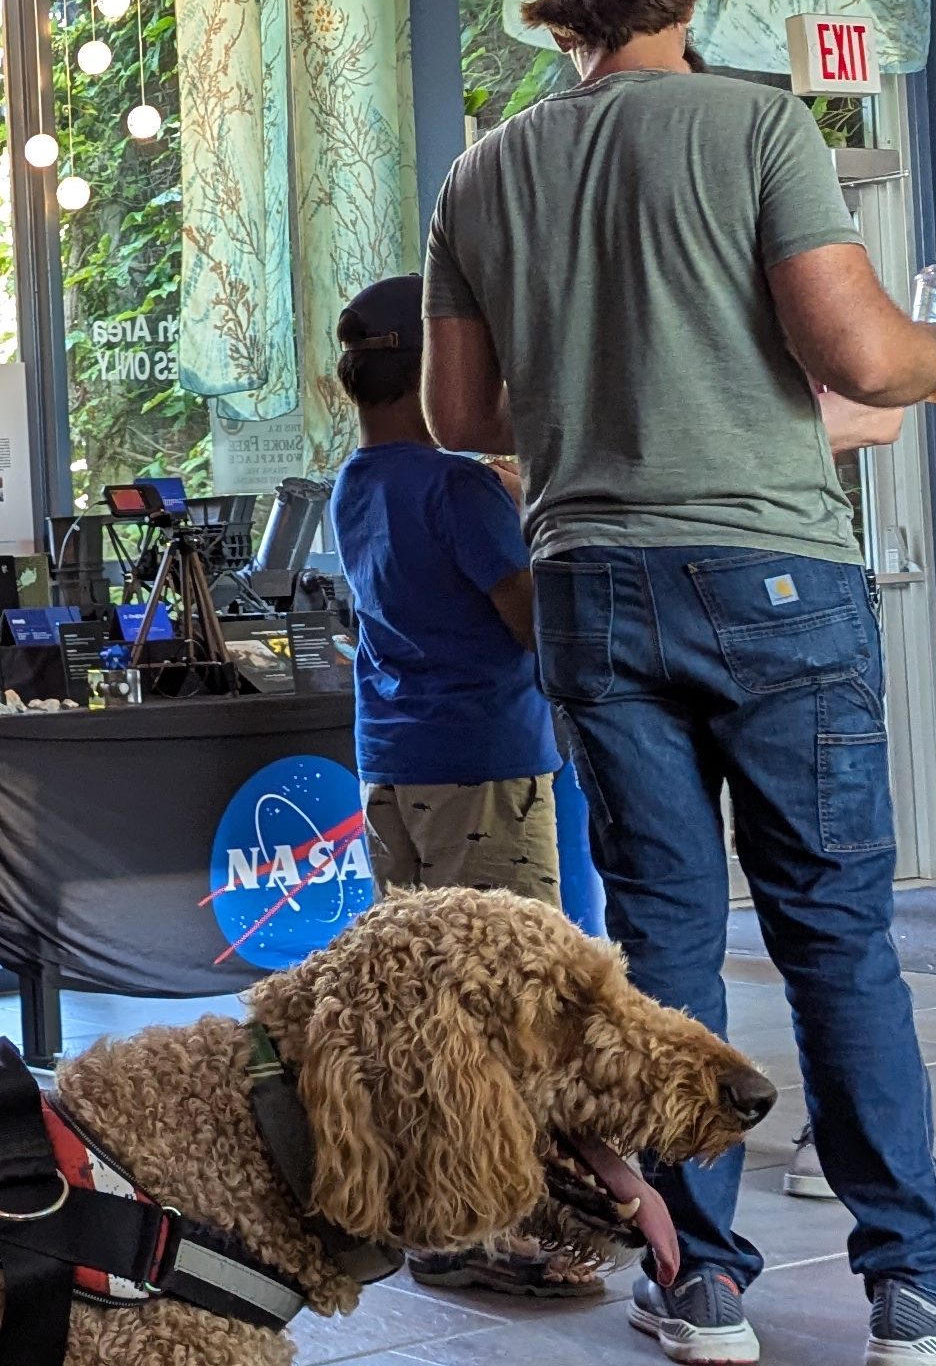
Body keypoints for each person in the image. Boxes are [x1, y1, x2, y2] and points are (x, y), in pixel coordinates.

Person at [420, 0, 936, 1366]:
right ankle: (923, 1288)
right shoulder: (758, 129)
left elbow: (461, 416)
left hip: (589, 582)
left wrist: (607, 398)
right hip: (771, 580)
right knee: (835, 938)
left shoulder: (483, 175)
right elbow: (858, 354)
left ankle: (697, 1282)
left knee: (662, 950)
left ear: (558, 10)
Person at [329, 273, 602, 1301]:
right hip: (486, 762)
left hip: (393, 765)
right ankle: (488, 1224)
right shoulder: (459, 490)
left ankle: (427, 1210)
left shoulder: (357, 481)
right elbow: (532, 620)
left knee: (424, 1002)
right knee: (505, 1004)